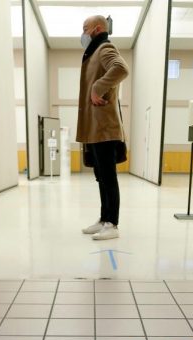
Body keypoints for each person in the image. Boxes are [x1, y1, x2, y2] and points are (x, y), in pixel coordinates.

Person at [76, 15, 129, 241]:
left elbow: (121, 68)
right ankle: (103, 219)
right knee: (101, 177)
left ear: (97, 29)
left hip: (104, 128)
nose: (82, 33)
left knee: (108, 177)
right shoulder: (93, 53)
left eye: (85, 28)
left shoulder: (104, 48)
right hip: (94, 129)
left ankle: (112, 224)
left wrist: (97, 87)